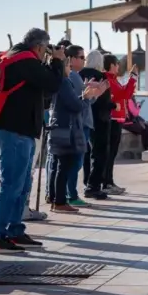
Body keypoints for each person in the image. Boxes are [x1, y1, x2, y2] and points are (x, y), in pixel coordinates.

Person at [0, 28, 64, 254]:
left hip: (21, 131)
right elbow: (53, 84)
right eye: (46, 49)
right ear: (39, 47)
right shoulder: (24, 61)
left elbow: (44, 91)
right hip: (14, 131)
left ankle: (15, 230)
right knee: (12, 185)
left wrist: (51, 64)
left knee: (22, 185)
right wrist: (58, 62)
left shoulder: (18, 58)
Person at [48, 51, 104, 213]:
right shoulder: (64, 83)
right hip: (66, 129)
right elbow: (75, 106)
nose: (69, 68)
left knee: (60, 166)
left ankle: (57, 199)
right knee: (64, 166)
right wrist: (86, 97)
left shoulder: (60, 82)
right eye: (67, 65)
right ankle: (59, 201)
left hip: (61, 127)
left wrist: (85, 96)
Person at [64, 45, 104, 207]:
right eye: (81, 57)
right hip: (80, 124)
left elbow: (84, 100)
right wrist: (92, 95)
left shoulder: (76, 76)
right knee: (76, 161)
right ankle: (70, 194)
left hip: (82, 122)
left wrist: (93, 95)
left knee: (77, 161)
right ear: (72, 60)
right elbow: (78, 102)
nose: (84, 60)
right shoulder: (73, 76)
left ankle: (68, 194)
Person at [102, 54, 137, 195]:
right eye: (116, 63)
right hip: (113, 120)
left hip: (118, 119)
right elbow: (124, 94)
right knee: (109, 154)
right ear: (111, 65)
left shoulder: (113, 80)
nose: (118, 66)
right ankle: (106, 182)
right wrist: (132, 78)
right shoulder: (108, 80)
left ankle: (109, 181)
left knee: (112, 153)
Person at [81, 50, 112, 200]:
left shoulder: (80, 75)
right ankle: (94, 186)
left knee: (86, 153)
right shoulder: (101, 77)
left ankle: (86, 181)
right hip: (99, 120)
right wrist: (113, 105)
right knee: (99, 154)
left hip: (84, 118)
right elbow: (104, 102)